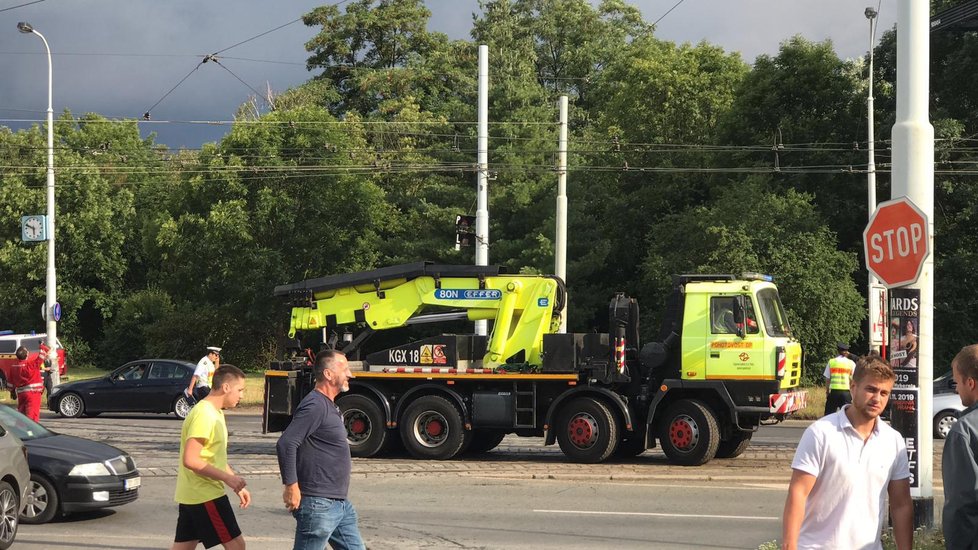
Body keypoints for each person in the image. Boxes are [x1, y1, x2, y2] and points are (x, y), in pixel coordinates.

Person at [782, 355, 912, 550]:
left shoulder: (893, 441)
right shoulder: (821, 433)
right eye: (871, 389)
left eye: (884, 393)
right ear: (853, 387)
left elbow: (901, 504)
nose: (877, 398)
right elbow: (798, 493)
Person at [276, 350, 365, 550]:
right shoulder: (315, 405)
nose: (351, 374)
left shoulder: (329, 405)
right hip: (318, 504)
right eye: (345, 368)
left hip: (338, 503)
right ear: (328, 374)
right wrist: (291, 486)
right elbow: (286, 443)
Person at [172, 364, 250, 550]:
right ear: (226, 387)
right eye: (240, 390)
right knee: (237, 547)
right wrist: (228, 479)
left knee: (183, 547)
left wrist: (235, 483)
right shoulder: (205, 414)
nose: (242, 396)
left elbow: (214, 456)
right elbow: (191, 459)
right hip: (205, 494)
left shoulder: (215, 412)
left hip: (194, 493)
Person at [942, 344, 978, 550]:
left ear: (970, 383)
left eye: (957, 382)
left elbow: (962, 504)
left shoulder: (964, 431)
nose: (956, 388)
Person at [11, 344, 49, 422]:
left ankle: (20, 431)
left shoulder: (14, 366)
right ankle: (31, 432)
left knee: (22, 415)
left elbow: (10, 381)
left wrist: (12, 391)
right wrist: (42, 346)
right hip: (33, 394)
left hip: (21, 394)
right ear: (26, 354)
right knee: (32, 417)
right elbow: (41, 356)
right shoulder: (30, 365)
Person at [822, 343, 855, 416]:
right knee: (848, 416)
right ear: (847, 352)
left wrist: (827, 391)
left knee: (829, 415)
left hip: (834, 392)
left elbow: (828, 379)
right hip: (846, 393)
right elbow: (854, 380)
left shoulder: (831, 362)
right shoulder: (851, 363)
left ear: (838, 351)